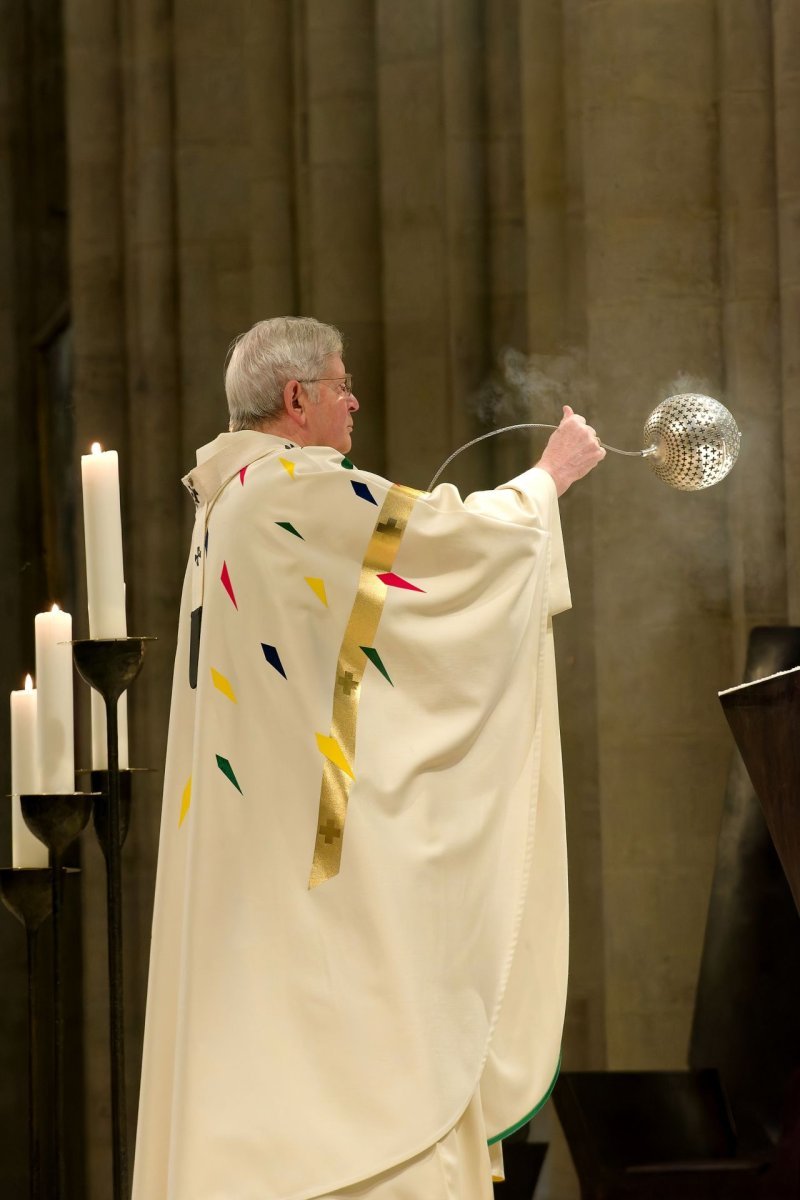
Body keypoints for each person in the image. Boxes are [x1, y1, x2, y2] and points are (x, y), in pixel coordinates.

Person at [132, 316, 604, 1200]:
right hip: (303, 889)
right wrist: (547, 482)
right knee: (371, 1073)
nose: (354, 402)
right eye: (341, 385)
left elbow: (346, 662)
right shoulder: (289, 488)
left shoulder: (228, 504)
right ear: (295, 398)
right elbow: (439, 549)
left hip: (255, 856)